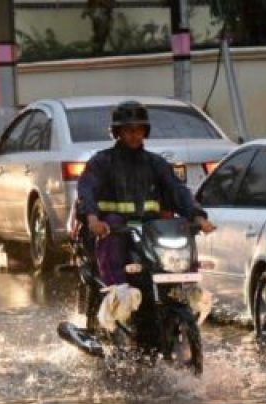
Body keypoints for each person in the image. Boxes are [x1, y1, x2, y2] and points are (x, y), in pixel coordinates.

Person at [76, 100, 216, 286]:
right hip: (115, 229)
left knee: (177, 228)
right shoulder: (102, 162)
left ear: (145, 131)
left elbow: (177, 190)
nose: (134, 135)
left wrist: (198, 217)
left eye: (139, 129)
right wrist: (93, 219)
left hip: (151, 230)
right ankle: (117, 292)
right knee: (113, 228)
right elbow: (86, 189)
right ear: (118, 132)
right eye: (129, 130)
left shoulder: (156, 164)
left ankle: (186, 290)